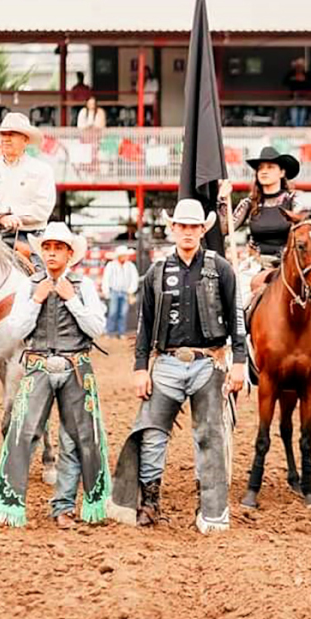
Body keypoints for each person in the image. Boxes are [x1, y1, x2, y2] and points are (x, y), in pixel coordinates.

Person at [110, 199, 248, 534]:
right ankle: (149, 502)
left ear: (203, 230)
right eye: (181, 226)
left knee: (210, 435)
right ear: (173, 229)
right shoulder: (156, 273)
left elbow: (236, 317)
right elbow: (144, 324)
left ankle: (210, 508)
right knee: (152, 434)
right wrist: (141, 367)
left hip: (207, 362)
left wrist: (240, 362)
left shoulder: (221, 268)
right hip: (168, 362)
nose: (187, 232)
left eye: (193, 227)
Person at [0, 222, 109, 529]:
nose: (52, 253)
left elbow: (97, 328)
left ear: (70, 254)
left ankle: (64, 506)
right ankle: (11, 506)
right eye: (48, 248)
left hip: (75, 367)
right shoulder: (29, 287)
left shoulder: (84, 287)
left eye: (59, 248)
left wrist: (71, 300)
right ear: (42, 252)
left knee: (75, 439)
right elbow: (15, 331)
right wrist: (36, 300)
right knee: (22, 435)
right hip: (38, 365)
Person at [0, 112, 56, 252]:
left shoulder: (42, 170)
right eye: (4, 134)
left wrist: (14, 217)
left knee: (38, 271)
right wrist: (0, 220)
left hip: (30, 238)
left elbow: (42, 209)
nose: (7, 139)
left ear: (25, 140)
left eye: (12, 134)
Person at [217, 146, 301, 270]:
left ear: (282, 173)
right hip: (255, 265)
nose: (264, 171)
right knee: (238, 288)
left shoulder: (294, 202)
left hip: (287, 266)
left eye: (270, 167)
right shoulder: (249, 203)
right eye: (260, 168)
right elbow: (225, 229)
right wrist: (222, 200)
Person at [101, 246, 139, 337]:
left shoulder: (130, 265)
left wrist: (131, 290)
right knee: (113, 312)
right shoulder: (111, 265)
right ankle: (110, 332)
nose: (126, 257)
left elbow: (134, 278)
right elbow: (106, 278)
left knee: (123, 313)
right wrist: (106, 291)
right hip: (114, 291)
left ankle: (121, 332)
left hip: (125, 292)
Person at [284, 58, 311, 127]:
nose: (299, 68)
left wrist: (304, 80)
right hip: (294, 97)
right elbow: (285, 82)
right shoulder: (291, 74)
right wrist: (294, 78)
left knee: (302, 114)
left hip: (304, 97)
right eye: (298, 66)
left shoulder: (306, 75)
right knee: (294, 114)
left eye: (301, 66)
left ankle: (301, 127)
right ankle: (295, 128)